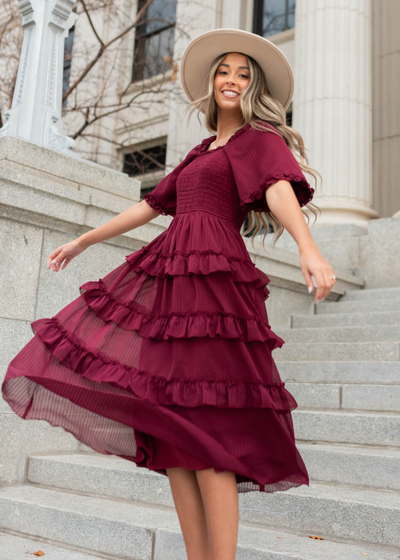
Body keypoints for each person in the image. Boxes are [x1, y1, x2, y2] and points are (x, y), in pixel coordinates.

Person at [2, 28, 336, 560]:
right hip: (171, 283)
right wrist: (85, 239)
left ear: (253, 88)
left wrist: (308, 247)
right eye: (224, 71)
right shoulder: (203, 150)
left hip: (215, 284)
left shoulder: (258, 138)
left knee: (209, 437)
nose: (232, 79)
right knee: (177, 444)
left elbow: (276, 188)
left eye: (243, 74)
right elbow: (152, 206)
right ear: (212, 83)